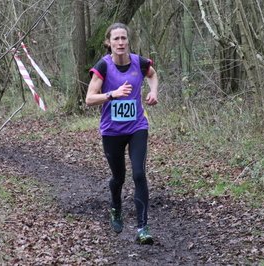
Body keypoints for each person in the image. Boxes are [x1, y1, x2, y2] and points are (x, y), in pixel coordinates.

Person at [86, 23, 158, 245]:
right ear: (109, 42)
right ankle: (115, 207)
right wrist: (112, 94)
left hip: (137, 127)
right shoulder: (103, 66)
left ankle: (142, 228)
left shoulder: (140, 62)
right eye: (116, 39)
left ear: (128, 40)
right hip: (112, 131)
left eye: (123, 38)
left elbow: (153, 75)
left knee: (139, 174)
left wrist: (153, 91)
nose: (120, 43)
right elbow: (89, 99)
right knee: (119, 177)